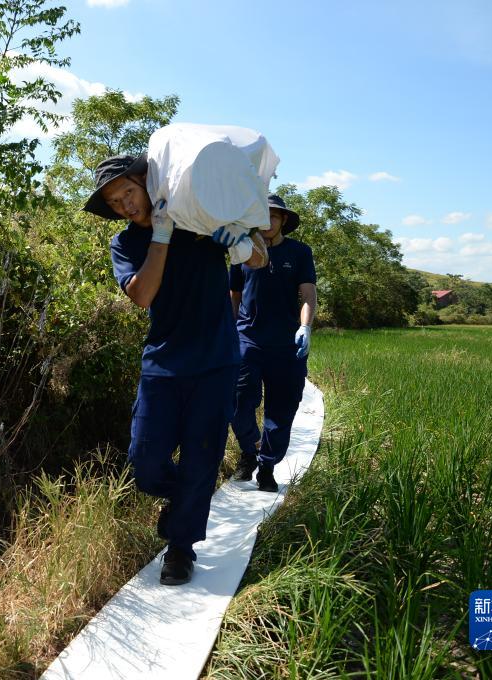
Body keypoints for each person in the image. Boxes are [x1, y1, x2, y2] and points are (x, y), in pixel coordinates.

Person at [83, 153, 241, 586]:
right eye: (115, 202)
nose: (125, 206)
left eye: (128, 193)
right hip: (163, 364)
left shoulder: (197, 221)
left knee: (201, 457)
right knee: (145, 462)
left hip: (215, 362)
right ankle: (185, 497)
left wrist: (242, 240)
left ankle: (180, 548)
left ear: (145, 182)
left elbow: (258, 257)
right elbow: (142, 296)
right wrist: (161, 237)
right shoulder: (125, 244)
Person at [229, 194, 317, 492]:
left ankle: (267, 466)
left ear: (283, 220)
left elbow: (308, 294)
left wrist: (305, 327)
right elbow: (234, 295)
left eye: (274, 216)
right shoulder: (241, 251)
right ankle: (249, 451)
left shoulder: (299, 252)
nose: (267, 221)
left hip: (286, 344)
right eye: (262, 216)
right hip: (248, 338)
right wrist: (229, 331)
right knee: (237, 399)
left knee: (282, 409)